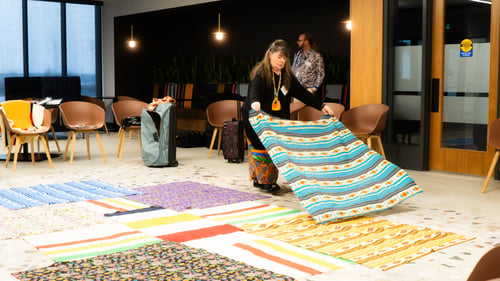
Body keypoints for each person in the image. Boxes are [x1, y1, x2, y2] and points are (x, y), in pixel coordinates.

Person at [242, 39, 334, 193]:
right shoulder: (261, 73)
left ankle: (263, 179)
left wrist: (322, 106)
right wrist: (255, 102)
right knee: (261, 147)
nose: (282, 61)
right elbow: (255, 90)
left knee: (273, 148)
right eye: (279, 57)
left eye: (284, 58)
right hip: (255, 116)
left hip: (275, 120)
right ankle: (264, 181)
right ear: (270, 55)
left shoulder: (287, 77)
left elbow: (303, 94)